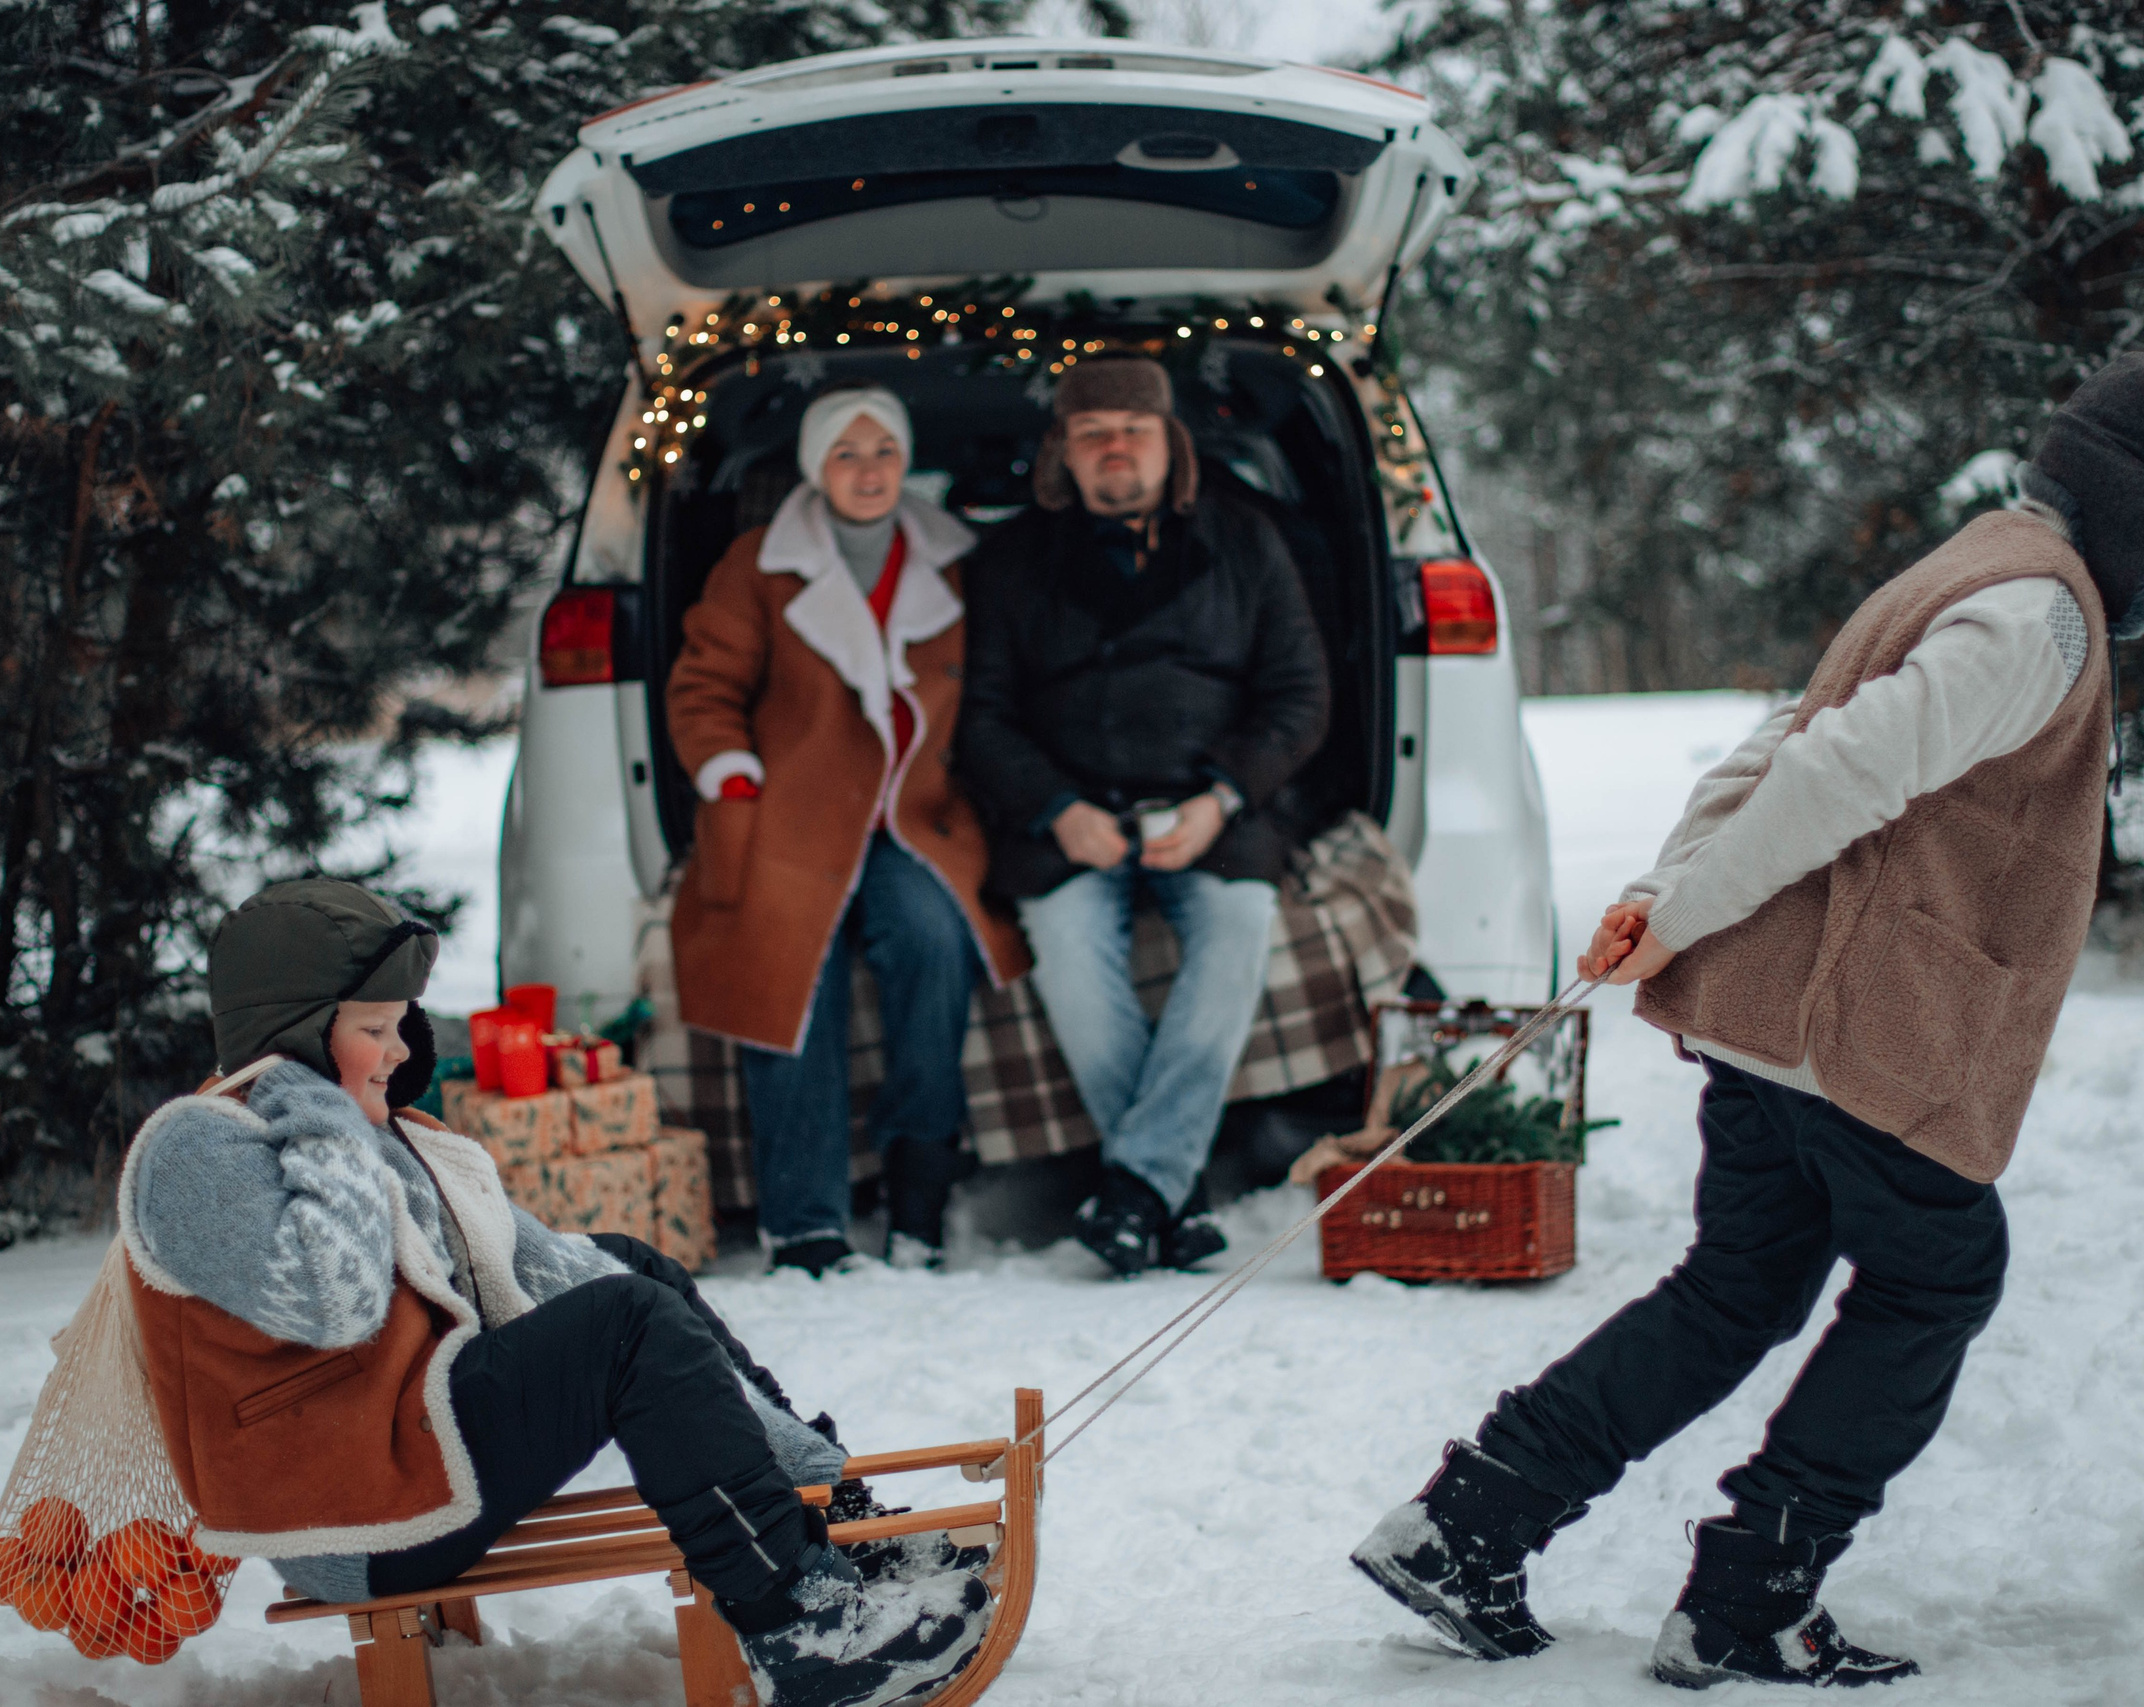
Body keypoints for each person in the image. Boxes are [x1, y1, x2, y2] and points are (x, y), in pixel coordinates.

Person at [1351, 357, 2144, 1689]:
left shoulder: (1984, 564)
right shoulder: (2039, 621)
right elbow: (1837, 760)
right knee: (1937, 1275)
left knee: (1739, 1286)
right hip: (1857, 1025)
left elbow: (1788, 728)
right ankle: (1750, 1593)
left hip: (1788, 1014)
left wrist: (1675, 891)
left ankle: (1468, 1520)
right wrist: (1680, 904)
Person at [120, 880, 992, 1707]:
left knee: (623, 1268)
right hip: (346, 1525)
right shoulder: (197, 1149)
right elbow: (332, 1296)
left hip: (405, 1457)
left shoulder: (356, 1133)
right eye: (375, 1028)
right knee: (625, 1324)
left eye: (400, 1026)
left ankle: (834, 1518)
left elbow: (529, 1264)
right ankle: (800, 1628)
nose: (397, 1050)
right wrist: (314, 1099)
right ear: (299, 1039)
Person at [956, 356, 1331, 1278]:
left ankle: (1133, 1190)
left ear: (1172, 443)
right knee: (1076, 973)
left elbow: (1301, 696)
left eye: (1133, 429)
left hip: (1211, 812)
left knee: (1238, 931)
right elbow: (981, 718)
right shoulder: (1008, 562)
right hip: (1069, 824)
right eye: (1091, 434)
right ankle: (1173, 1191)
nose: (1113, 447)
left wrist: (1221, 799)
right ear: (1064, 455)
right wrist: (1057, 807)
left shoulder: (1246, 540)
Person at [667, 387, 1030, 1275]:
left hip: (916, 818)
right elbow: (703, 686)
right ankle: (807, 1224)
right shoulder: (759, 562)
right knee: (787, 968)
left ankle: (919, 1207)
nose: (868, 472)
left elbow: (997, 690)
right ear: (815, 468)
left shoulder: (960, 562)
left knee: (936, 943)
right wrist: (732, 774)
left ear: (906, 464)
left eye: (884, 453)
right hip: (790, 813)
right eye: (846, 454)